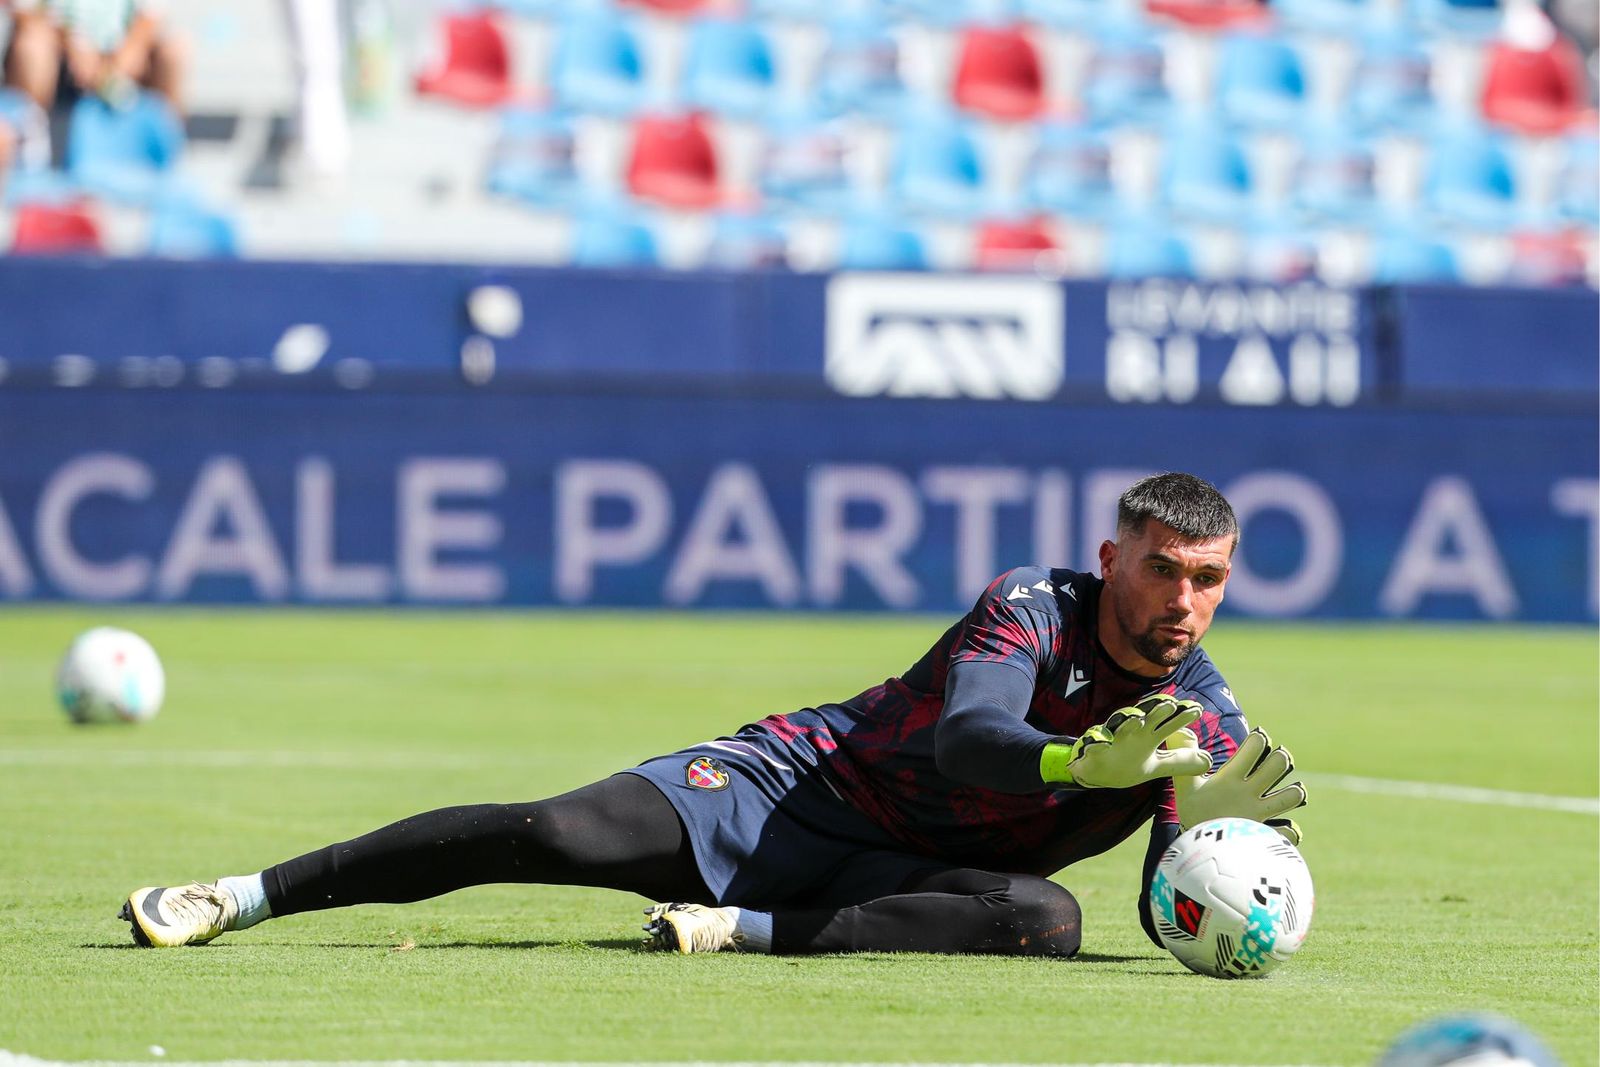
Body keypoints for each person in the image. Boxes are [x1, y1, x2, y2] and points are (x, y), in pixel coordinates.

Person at [119, 471, 1307, 957]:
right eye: (1165, 569)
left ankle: (737, 930)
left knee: (1044, 921)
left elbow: (1169, 910)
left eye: (1209, 579)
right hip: (799, 788)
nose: (1185, 601)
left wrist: (1220, 854)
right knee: (550, 833)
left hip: (904, 871)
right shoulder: (1032, 604)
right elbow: (968, 736)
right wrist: (1072, 762)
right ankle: (243, 894)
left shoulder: (1195, 714)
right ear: (1114, 557)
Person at [4, 0, 188, 115]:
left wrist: (120, 62)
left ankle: (162, 141)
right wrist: (74, 48)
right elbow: (25, 11)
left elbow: (151, 13)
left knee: (175, 48)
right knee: (31, 47)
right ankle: (28, 138)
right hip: (57, 50)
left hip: (117, 53)